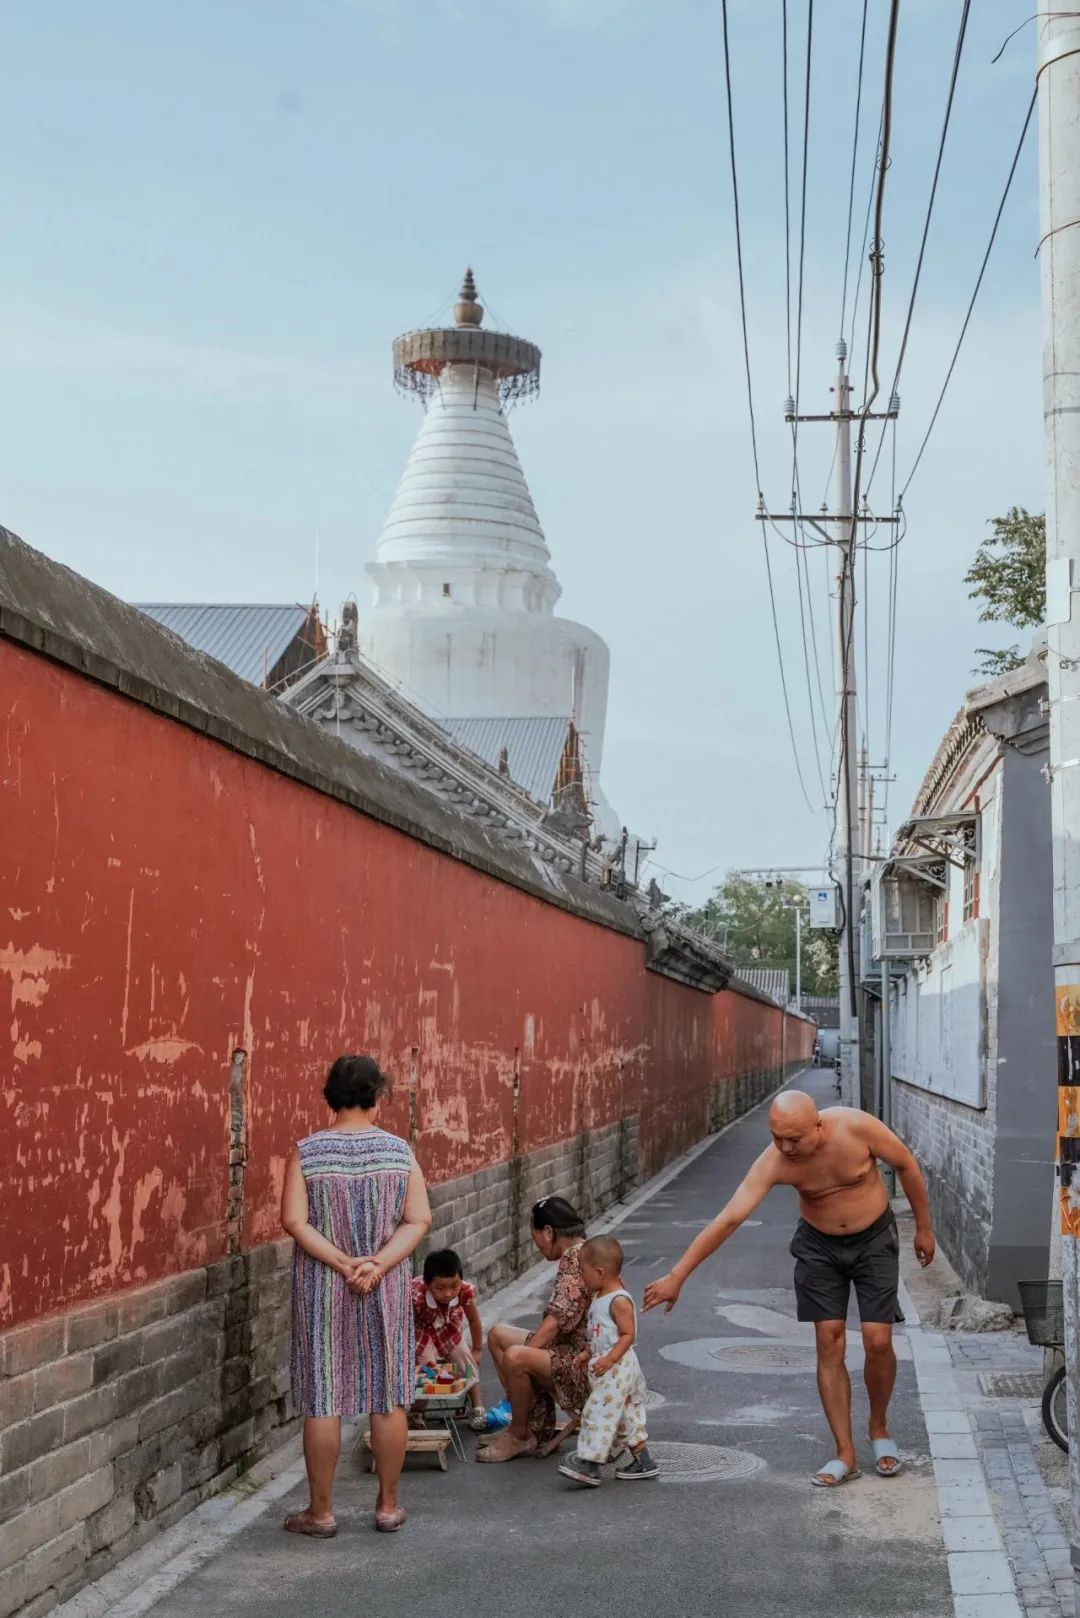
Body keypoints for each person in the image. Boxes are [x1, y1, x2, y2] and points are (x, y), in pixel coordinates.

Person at [643, 1090, 935, 1488]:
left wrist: (924, 1227)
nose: (785, 1147)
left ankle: (879, 1427)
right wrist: (678, 1275)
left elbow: (905, 1164)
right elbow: (730, 1218)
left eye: (794, 1138)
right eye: (777, 1137)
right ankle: (844, 1452)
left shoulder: (857, 1126)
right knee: (828, 1341)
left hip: (874, 1241)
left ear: (818, 1125)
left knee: (878, 1340)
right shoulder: (775, 1161)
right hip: (819, 1248)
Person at [282, 1053, 431, 1535]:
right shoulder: (399, 1151)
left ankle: (320, 1513)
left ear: (330, 1093)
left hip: (323, 1285)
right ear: (376, 1095)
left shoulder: (306, 1152)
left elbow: (294, 1222)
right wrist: (379, 1264)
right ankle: (388, 1506)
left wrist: (344, 1262)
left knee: (324, 1395)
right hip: (382, 1285)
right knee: (386, 1395)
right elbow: (418, 1220)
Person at [477, 1196, 591, 1462]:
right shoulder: (578, 1253)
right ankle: (528, 1420)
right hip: (567, 1351)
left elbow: (554, 1324)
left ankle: (520, 1435)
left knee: (516, 1356)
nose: (536, 1244)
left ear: (549, 1232)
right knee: (497, 1335)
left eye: (535, 1236)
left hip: (580, 1365)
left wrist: (522, 1357)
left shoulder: (576, 1259)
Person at [558, 1235, 658, 1487]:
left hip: (618, 1368)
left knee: (596, 1412)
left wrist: (610, 1359)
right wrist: (587, 1353)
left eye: (582, 1271)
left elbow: (627, 1335)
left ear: (600, 1272)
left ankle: (590, 1466)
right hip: (609, 1366)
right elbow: (600, 1334)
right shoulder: (599, 1296)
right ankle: (644, 1461)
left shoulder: (618, 1300)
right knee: (626, 1415)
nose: (581, 1276)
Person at [412, 1249, 487, 1431]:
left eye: (454, 1286)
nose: (448, 1294)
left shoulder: (463, 1292)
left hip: (449, 1330)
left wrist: (477, 1349)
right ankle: (417, 1411)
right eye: (440, 1288)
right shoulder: (415, 1295)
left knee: (466, 1361)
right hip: (423, 1332)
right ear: (428, 1284)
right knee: (426, 1371)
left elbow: (474, 1321)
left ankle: (477, 1407)